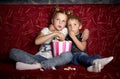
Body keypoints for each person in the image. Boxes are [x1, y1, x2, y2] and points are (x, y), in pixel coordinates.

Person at [9, 6, 73, 71]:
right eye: (57, 19)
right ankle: (41, 65)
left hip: (56, 59)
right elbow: (36, 42)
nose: (60, 23)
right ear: (52, 20)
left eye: (63, 21)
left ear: (65, 24)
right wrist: (54, 33)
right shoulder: (45, 30)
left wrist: (84, 32)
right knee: (13, 52)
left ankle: (37, 66)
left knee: (69, 55)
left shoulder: (65, 30)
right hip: (39, 57)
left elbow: (75, 28)